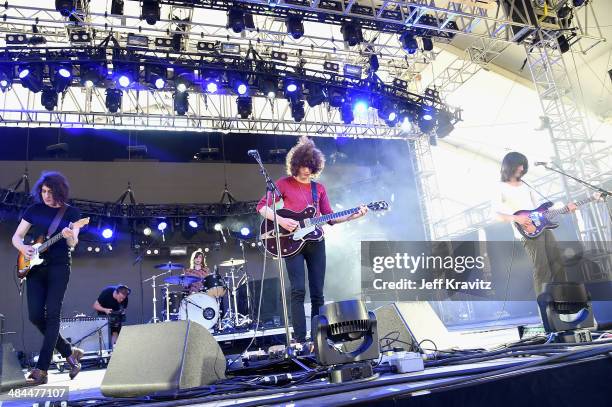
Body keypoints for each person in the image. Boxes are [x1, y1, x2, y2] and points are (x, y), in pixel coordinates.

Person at [256, 136, 368, 345]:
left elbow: (329, 216)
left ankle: (319, 336)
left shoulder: (319, 189)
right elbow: (262, 207)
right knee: (298, 290)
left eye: (310, 166)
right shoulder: (283, 184)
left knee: (318, 292)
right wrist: (282, 220)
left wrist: (353, 215)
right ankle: (300, 338)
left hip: (316, 241)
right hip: (291, 242)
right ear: (296, 164)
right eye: (303, 165)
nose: (307, 170)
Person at [11, 171, 84, 385]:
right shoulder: (33, 209)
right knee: (35, 316)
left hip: (59, 266)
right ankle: (70, 353)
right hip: (34, 266)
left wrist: (70, 237)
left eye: (50, 192)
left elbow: (73, 244)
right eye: (43, 191)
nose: (46, 196)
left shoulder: (72, 213)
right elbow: (17, 236)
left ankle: (41, 370)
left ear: (59, 192)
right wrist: (23, 248)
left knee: (52, 315)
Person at [494, 152, 577, 295]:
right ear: (509, 166)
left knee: (557, 263)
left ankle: (564, 299)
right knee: (542, 268)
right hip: (527, 231)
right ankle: (544, 306)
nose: (522, 168)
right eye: (519, 165)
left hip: (543, 227)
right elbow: (496, 214)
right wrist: (517, 218)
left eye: (523, 165)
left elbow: (541, 209)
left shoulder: (527, 184)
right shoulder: (500, 187)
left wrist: (564, 210)